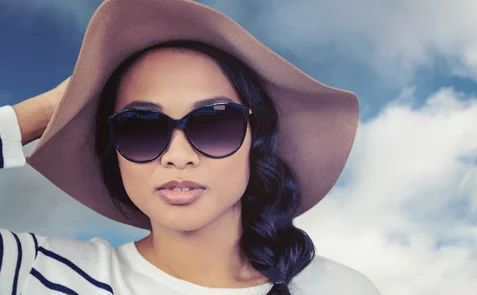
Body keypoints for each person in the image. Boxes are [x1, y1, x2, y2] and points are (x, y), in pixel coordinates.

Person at [0, 0, 380, 294]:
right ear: (114, 151)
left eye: (213, 123)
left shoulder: (341, 288)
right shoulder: (39, 274)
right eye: (140, 128)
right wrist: (52, 106)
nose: (178, 156)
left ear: (255, 140)